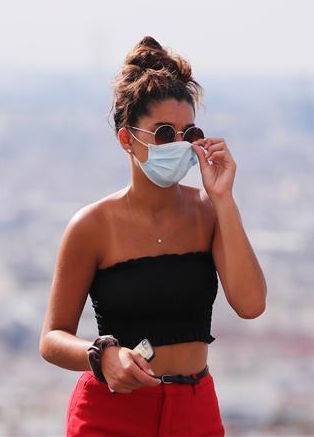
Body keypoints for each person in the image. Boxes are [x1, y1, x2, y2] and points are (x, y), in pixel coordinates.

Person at [39, 35, 268, 436]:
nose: (178, 144)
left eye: (188, 132)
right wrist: (102, 356)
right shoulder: (92, 226)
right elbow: (52, 339)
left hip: (194, 413)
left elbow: (250, 304)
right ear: (128, 139)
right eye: (164, 132)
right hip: (111, 416)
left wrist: (224, 200)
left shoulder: (208, 213)